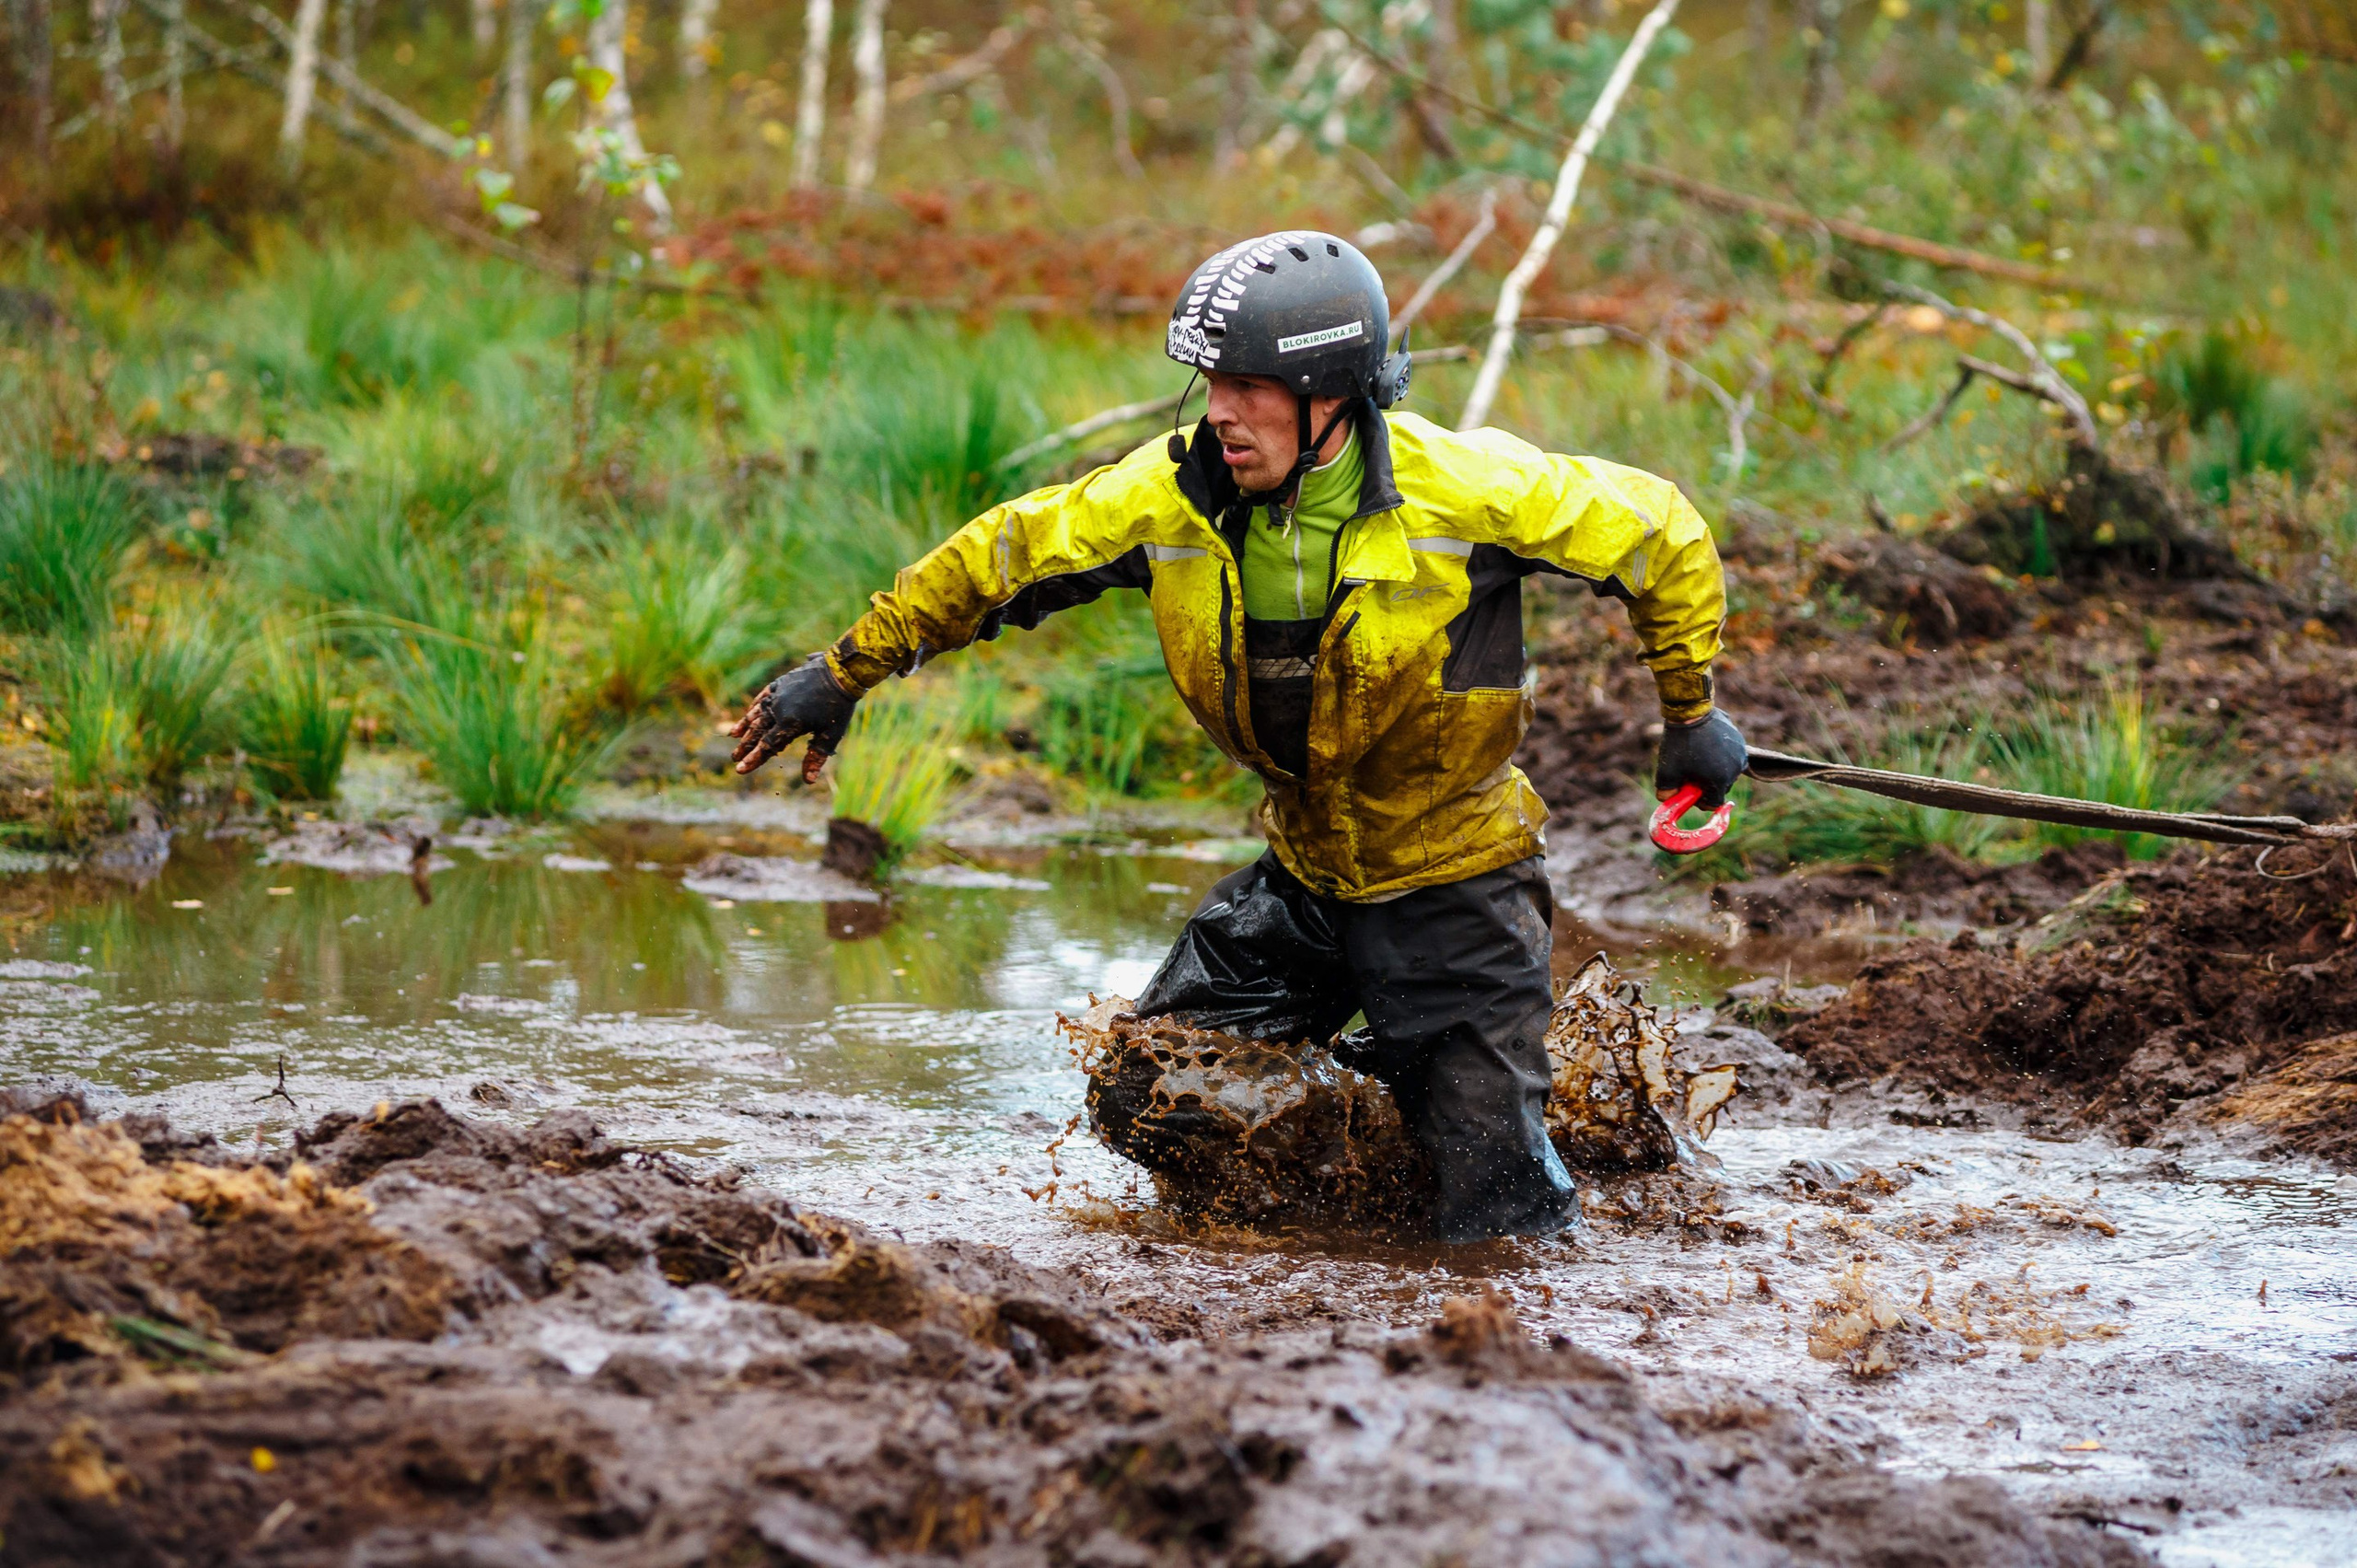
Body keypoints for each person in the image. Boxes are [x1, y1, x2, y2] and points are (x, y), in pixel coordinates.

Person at [729, 230, 1747, 1242]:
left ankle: (1462, 1120)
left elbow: (1660, 531)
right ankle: (1362, 1154)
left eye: (1252, 384)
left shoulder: (1468, 491)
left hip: (1456, 885)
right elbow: (1009, 551)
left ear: (1333, 393)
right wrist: (843, 668)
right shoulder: (1169, 494)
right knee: (1149, 1094)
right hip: (1305, 876)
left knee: (1495, 1214)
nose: (1221, 409)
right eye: (1213, 378)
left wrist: (1690, 715)